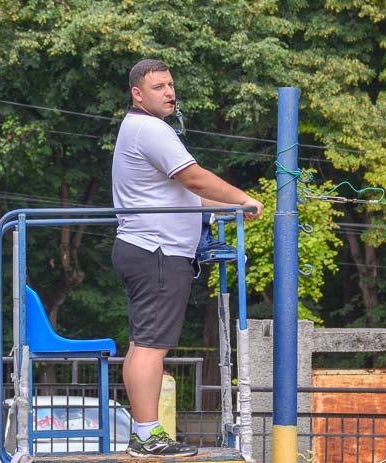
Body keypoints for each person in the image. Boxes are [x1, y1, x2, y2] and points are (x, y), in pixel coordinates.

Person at [111, 58, 264, 458]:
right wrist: (242, 197)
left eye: (170, 85)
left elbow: (184, 197)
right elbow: (192, 178)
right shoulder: (150, 129)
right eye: (158, 86)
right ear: (137, 94)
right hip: (157, 251)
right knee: (151, 347)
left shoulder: (139, 128)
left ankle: (143, 432)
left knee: (141, 345)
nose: (169, 92)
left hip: (144, 248)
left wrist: (228, 209)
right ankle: (146, 437)